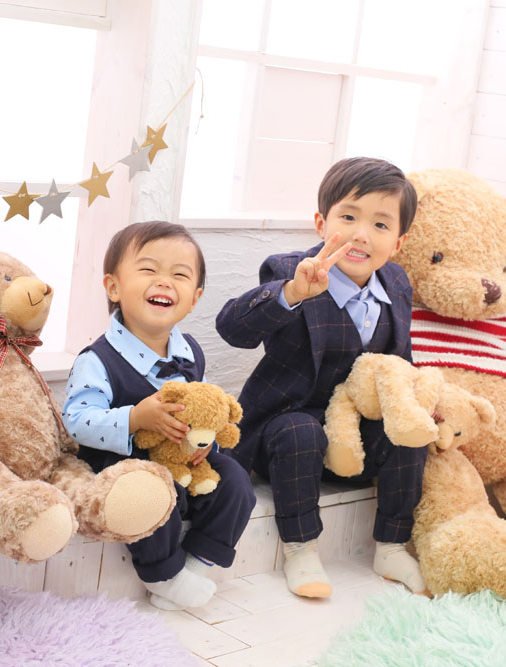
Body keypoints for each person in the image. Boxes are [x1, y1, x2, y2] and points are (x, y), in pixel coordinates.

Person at [216, 157, 427, 598]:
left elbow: (398, 363)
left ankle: (391, 545)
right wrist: (291, 293)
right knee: (301, 431)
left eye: (380, 225)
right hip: (288, 429)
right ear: (321, 223)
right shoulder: (288, 271)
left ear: (399, 242)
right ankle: (301, 549)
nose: (361, 235)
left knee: (411, 429)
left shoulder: (397, 283)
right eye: (348, 218)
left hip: (356, 438)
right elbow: (232, 330)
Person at [65, 221, 255, 610]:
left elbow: (206, 410)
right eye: (149, 269)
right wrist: (134, 418)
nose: (164, 281)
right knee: (149, 491)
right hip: (126, 464)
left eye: (179, 275)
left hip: (185, 462)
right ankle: (162, 575)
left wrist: (207, 443)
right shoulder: (97, 359)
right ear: (113, 287)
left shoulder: (190, 353)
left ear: (194, 298)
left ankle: (199, 563)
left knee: (236, 480)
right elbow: (77, 422)